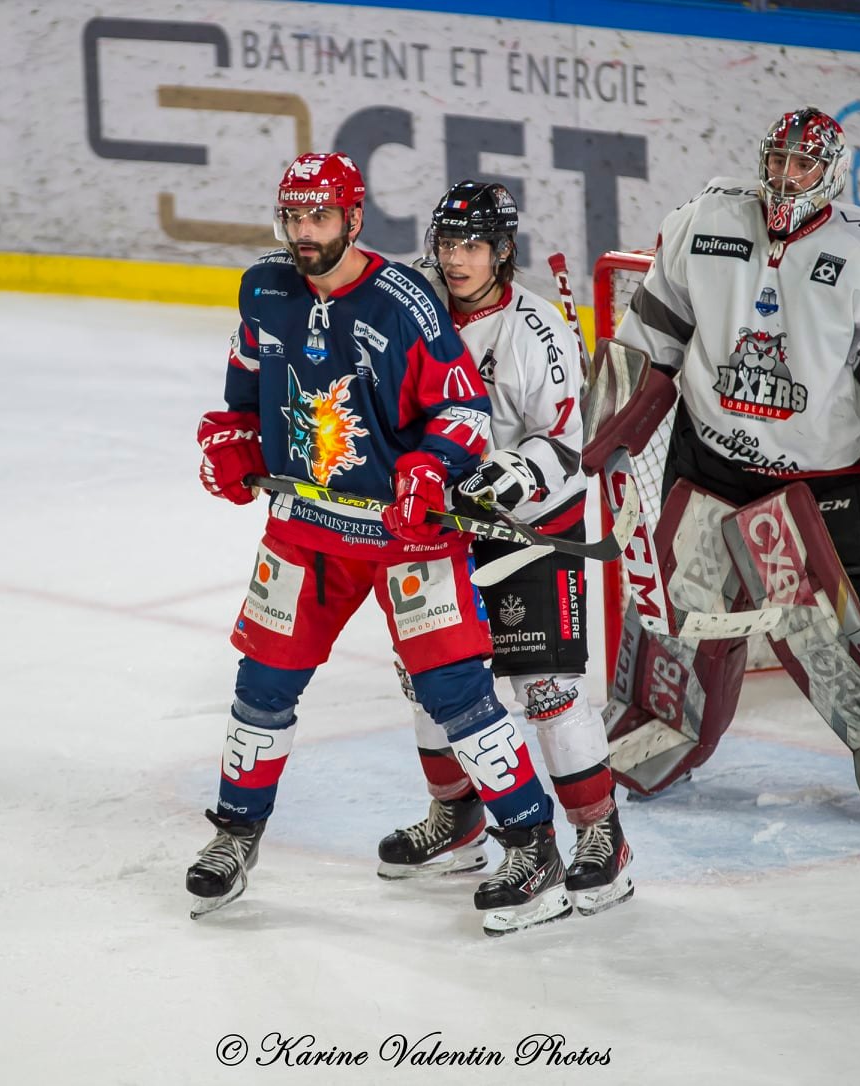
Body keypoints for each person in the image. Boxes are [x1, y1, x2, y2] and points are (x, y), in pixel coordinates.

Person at [187, 153, 570, 935]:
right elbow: (244, 386)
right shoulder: (264, 288)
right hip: (305, 532)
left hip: (406, 537)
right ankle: (234, 835)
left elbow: (461, 412)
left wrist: (429, 473)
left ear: (353, 219)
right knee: (261, 686)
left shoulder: (403, 303)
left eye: (318, 218)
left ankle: (533, 849)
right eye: (292, 217)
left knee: (455, 695)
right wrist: (231, 438)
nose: (303, 233)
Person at [585, 107, 860, 815]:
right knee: (674, 605)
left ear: (832, 173)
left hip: (818, 473)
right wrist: (614, 416)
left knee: (827, 621)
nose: (784, 177)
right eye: (776, 161)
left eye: (802, 166)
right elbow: (656, 323)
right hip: (709, 452)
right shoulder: (704, 218)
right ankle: (656, 723)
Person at [374, 181, 634, 918]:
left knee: (545, 689)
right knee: (429, 677)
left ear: (501, 251)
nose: (454, 260)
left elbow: (563, 443)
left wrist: (500, 480)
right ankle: (456, 820)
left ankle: (598, 837)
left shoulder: (537, 329)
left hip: (528, 532)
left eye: (470, 246)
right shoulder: (414, 306)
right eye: (446, 244)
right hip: (434, 527)